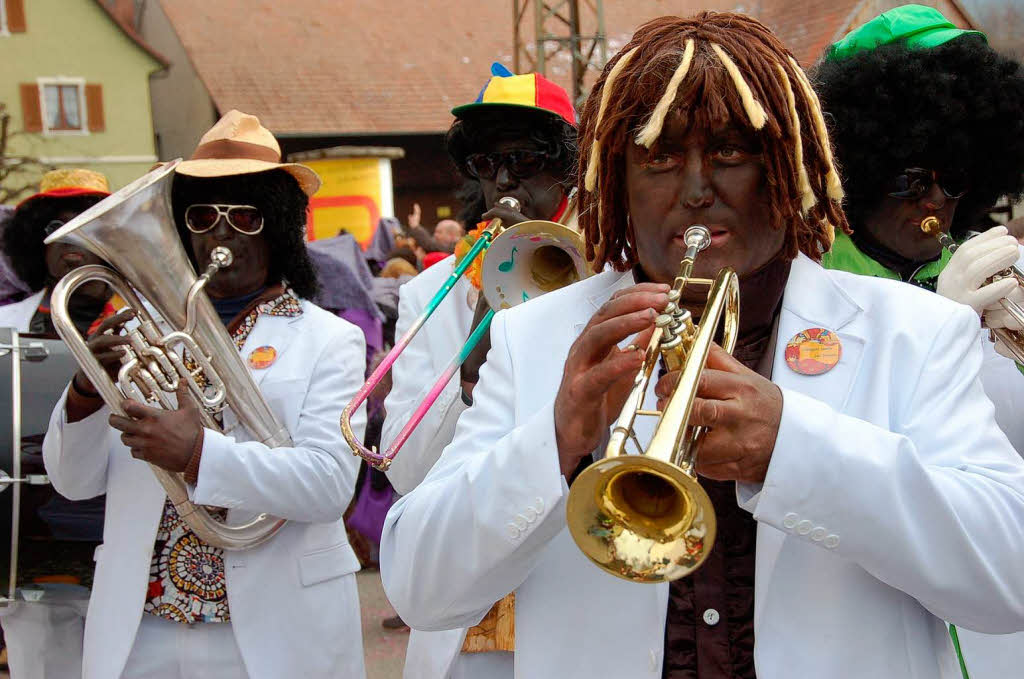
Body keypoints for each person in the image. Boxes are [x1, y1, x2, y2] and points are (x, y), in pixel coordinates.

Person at [380, 12, 1024, 678]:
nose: (696, 190)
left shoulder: (914, 331)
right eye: (659, 156)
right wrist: (553, 439)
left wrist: (791, 448)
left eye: (730, 152)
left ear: (787, 167)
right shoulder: (534, 335)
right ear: (616, 179)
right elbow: (419, 589)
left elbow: (1010, 577)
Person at [42, 111, 368, 679]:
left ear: (279, 228)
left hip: (273, 633)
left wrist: (197, 456)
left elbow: (329, 486)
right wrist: (84, 395)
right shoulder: (139, 330)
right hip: (140, 628)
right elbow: (72, 483)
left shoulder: (331, 339)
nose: (221, 234)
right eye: (202, 216)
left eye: (244, 217)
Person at [814, 6, 1024, 676]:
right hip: (865, 633)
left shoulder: (995, 279)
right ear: (855, 172)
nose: (937, 203)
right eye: (910, 180)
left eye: (953, 179)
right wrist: (940, 327)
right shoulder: (804, 291)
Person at [380, 63, 577, 678]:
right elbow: (407, 471)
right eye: (486, 164)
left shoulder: (611, 273)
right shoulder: (431, 292)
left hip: (574, 602)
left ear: (570, 167)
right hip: (465, 625)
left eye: (525, 160)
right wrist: (471, 360)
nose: (504, 181)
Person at [0, 168, 113, 333]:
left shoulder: (155, 319)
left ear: (109, 239)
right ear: (37, 244)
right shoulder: (4, 323)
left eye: (85, 226)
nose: (69, 237)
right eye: (55, 228)